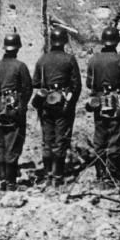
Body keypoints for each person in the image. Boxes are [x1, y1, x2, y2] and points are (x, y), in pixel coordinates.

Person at [32, 25, 81, 188]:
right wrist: (70, 104)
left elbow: (36, 83)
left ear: (51, 41)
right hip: (63, 105)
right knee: (61, 140)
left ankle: (47, 175)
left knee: (47, 141)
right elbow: (77, 85)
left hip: (46, 104)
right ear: (65, 41)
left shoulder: (42, 59)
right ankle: (58, 176)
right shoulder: (69, 59)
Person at [86, 25, 120, 186]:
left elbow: (89, 83)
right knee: (115, 136)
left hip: (98, 103)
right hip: (117, 102)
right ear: (117, 41)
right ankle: (112, 175)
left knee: (100, 137)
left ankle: (100, 175)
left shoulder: (93, 60)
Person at [0, 32, 32, 191]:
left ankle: (2, 179)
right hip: (14, 112)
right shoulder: (20, 66)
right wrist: (21, 107)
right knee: (13, 145)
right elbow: (27, 90)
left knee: (1, 144)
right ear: (17, 48)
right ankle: (11, 182)